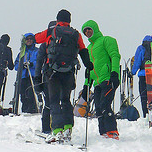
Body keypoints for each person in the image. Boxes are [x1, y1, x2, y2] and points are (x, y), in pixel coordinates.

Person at [33, 10, 93, 142]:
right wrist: (89, 65)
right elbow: (83, 50)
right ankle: (68, 128)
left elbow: (37, 38)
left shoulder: (52, 31)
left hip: (52, 72)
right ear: (69, 20)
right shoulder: (76, 34)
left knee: (54, 101)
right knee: (65, 100)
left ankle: (57, 130)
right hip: (68, 72)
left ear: (58, 19)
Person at [81, 19, 122, 139]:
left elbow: (115, 56)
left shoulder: (106, 40)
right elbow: (89, 68)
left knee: (105, 105)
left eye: (89, 29)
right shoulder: (88, 48)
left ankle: (112, 131)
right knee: (98, 108)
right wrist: (86, 85)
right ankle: (103, 132)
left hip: (108, 78)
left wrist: (115, 73)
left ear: (95, 29)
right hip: (97, 83)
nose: (87, 32)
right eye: (85, 31)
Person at [131, 35, 152, 118]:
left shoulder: (141, 48)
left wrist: (133, 72)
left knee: (143, 96)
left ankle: (145, 115)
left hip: (143, 75)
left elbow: (137, 62)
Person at [14, 33, 41, 113]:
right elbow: (16, 65)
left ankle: (32, 109)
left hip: (32, 76)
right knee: (22, 94)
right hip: (23, 76)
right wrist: (21, 65)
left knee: (31, 93)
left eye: (30, 39)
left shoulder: (37, 51)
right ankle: (25, 109)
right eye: (27, 39)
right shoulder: (22, 53)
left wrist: (32, 64)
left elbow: (40, 62)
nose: (29, 41)